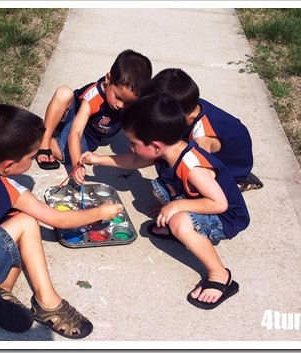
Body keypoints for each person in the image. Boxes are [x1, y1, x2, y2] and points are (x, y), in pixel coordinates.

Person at [0, 104, 124, 339]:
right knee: (27, 222)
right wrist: (101, 212)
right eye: (30, 157)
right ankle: (47, 302)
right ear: (8, 164)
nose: (33, 161)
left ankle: (3, 290)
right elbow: (58, 218)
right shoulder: (8, 190)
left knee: (14, 218)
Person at [79, 93, 250, 310]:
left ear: (156, 147)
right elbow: (133, 160)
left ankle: (220, 276)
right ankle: (184, 228)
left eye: (133, 143)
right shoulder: (167, 149)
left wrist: (177, 206)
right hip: (200, 202)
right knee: (158, 188)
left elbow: (219, 204)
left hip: (224, 218)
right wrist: (97, 159)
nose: (130, 147)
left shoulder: (192, 167)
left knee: (179, 221)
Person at [36, 49, 152, 181]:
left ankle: (49, 138)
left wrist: (135, 143)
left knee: (68, 154)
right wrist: (76, 165)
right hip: (72, 116)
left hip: (89, 134)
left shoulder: (131, 104)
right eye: (118, 97)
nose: (120, 105)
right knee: (64, 93)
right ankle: (43, 141)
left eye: (128, 103)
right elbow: (76, 132)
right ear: (108, 78)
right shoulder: (94, 97)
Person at [140, 68, 263, 192]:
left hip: (233, 168)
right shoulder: (189, 103)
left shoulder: (202, 136)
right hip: (232, 152)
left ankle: (236, 183)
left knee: (167, 187)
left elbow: (198, 175)